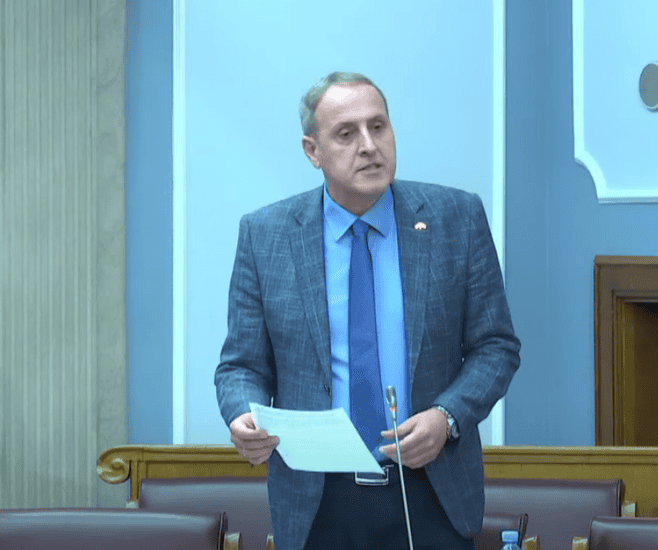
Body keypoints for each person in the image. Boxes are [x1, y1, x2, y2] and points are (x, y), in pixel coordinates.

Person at [215, 72, 521, 550]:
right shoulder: (266, 235)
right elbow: (241, 366)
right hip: (317, 500)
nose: (369, 146)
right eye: (346, 133)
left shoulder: (456, 219)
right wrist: (241, 414)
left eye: (378, 126)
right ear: (313, 151)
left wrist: (447, 417)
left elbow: (496, 347)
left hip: (431, 489)